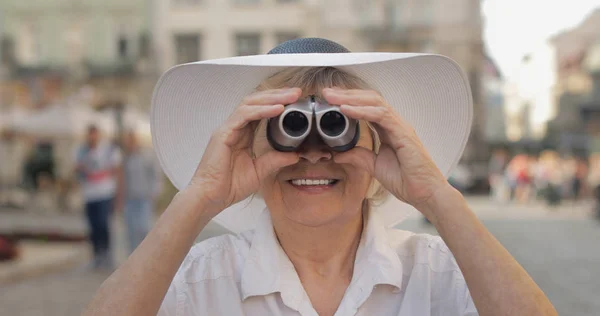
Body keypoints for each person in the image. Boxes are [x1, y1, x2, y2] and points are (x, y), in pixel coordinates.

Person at [83, 38, 557, 315]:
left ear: (381, 145)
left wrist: (434, 193)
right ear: (247, 145)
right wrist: (202, 194)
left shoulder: (439, 274)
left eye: (338, 128)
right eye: (286, 127)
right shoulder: (199, 279)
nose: (313, 154)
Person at [75, 125, 121, 269]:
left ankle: (106, 254)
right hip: (89, 195)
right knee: (93, 227)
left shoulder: (108, 150)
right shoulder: (81, 151)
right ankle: (96, 256)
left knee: (103, 224)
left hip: (104, 193)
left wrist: (119, 195)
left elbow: (116, 170)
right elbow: (77, 169)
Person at [119, 129, 163, 254]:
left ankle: (147, 255)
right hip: (130, 198)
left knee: (144, 228)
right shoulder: (125, 158)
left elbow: (155, 175)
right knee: (131, 230)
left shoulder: (146, 156)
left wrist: (155, 192)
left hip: (144, 198)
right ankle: (133, 257)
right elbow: (122, 179)